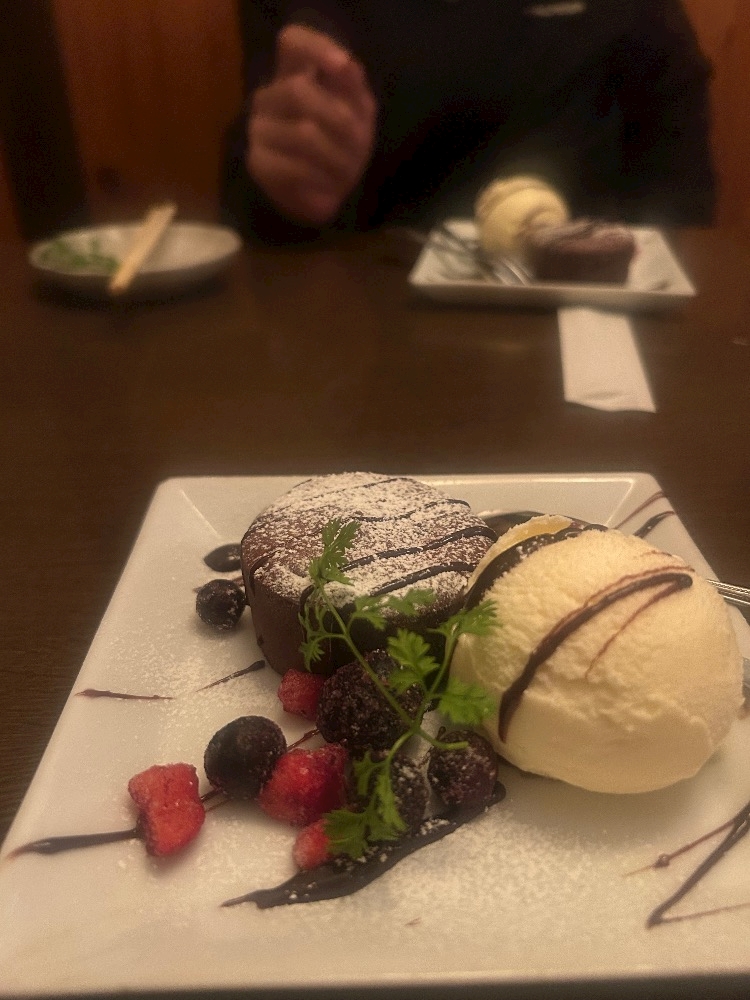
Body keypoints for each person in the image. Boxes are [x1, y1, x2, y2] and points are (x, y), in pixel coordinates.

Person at [221, 0, 715, 243]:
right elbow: (256, 189)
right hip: (358, 334)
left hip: (595, 331)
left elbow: (682, 191)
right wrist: (288, 189)